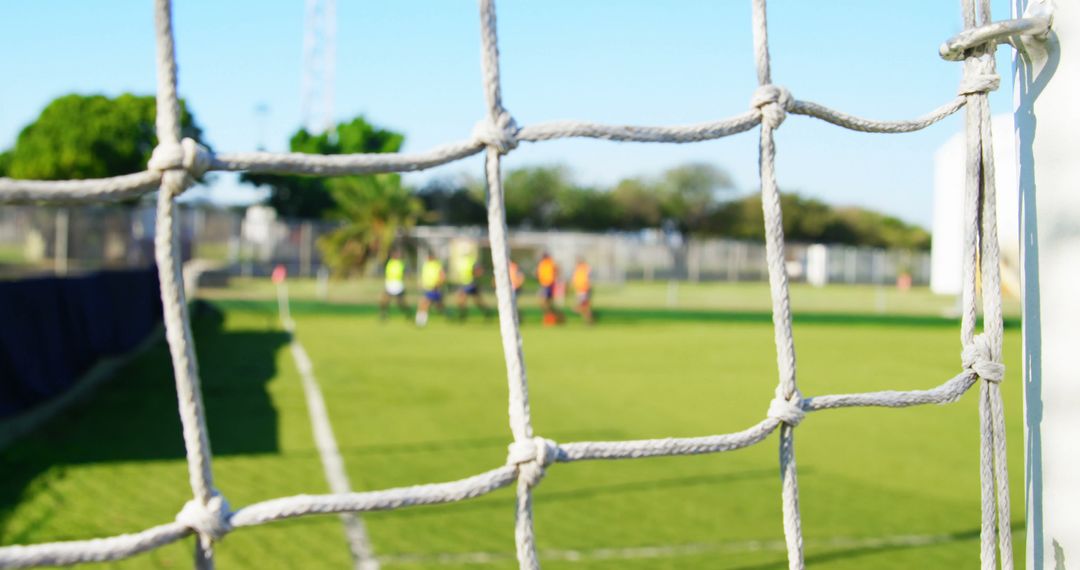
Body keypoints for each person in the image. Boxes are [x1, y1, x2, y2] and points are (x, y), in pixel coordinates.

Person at [455, 252, 492, 321]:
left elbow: (480, 271)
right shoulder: (464, 263)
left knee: (461, 298)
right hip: (465, 283)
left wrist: (475, 275)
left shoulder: (471, 262)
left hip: (470, 283)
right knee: (477, 301)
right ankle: (487, 312)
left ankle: (462, 315)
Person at [415, 252, 446, 327]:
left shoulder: (437, 265)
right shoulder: (426, 265)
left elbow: (442, 277)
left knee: (424, 303)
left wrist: (438, 285)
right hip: (427, 288)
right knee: (435, 306)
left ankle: (421, 321)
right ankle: (421, 320)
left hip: (434, 288)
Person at [380, 250, 409, 320]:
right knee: (384, 300)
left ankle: (408, 314)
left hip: (398, 284)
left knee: (401, 303)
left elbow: (403, 273)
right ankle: (384, 314)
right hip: (390, 284)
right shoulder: (389, 263)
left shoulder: (400, 263)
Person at [535, 252, 562, 325]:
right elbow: (538, 273)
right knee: (545, 303)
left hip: (549, 284)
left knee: (546, 302)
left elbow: (557, 271)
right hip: (543, 284)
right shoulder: (542, 264)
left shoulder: (551, 263)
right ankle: (553, 317)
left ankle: (552, 318)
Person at [571, 257, 594, 324]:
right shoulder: (578, 269)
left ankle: (589, 320)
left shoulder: (585, 268)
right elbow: (575, 280)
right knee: (585, 307)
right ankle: (588, 321)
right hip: (580, 290)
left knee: (583, 306)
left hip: (584, 290)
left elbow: (587, 276)